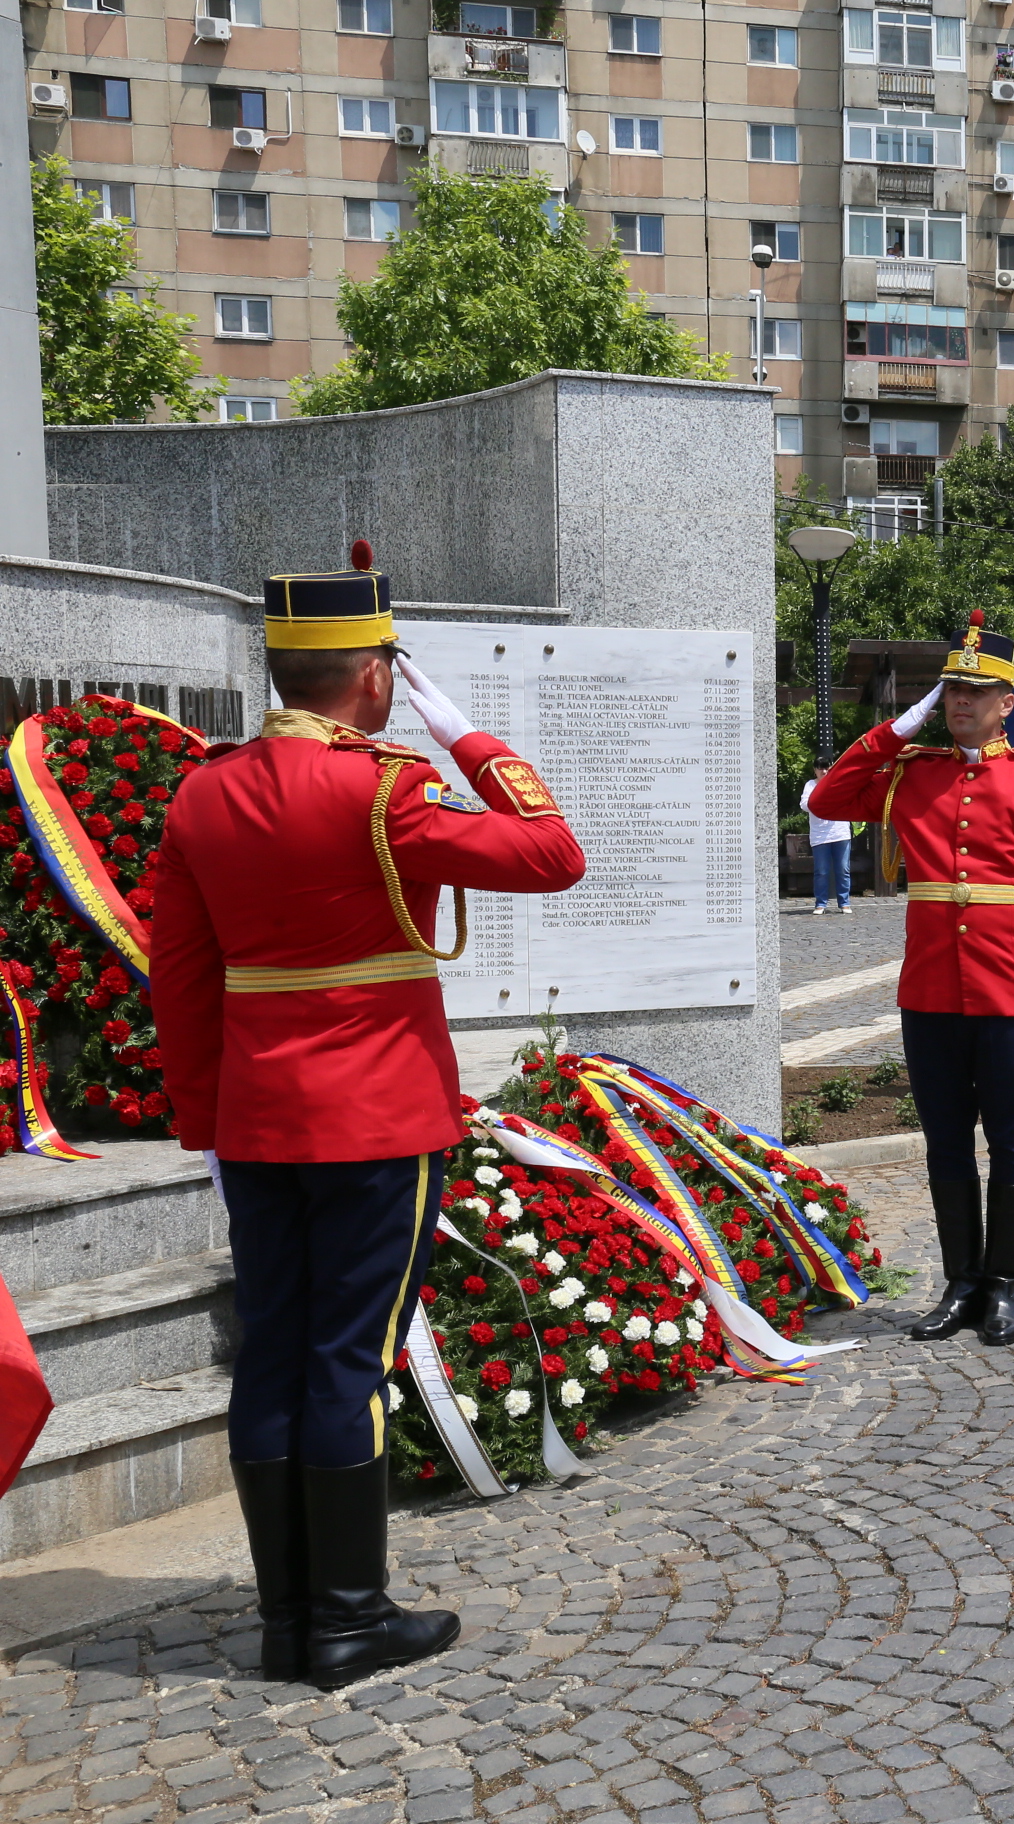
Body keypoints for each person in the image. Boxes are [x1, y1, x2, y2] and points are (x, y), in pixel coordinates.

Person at [152, 558, 588, 1690]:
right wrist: (474, 742)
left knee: (276, 1355)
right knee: (348, 1361)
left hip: (254, 1119)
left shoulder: (202, 792)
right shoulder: (389, 788)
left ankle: (287, 1620)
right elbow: (555, 856)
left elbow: (183, 981)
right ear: (372, 678)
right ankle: (348, 1621)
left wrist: (204, 1119)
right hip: (376, 1118)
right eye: (393, 673)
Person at [807, 611, 1014, 1349]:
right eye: (951, 691)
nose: (961, 702)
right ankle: (961, 1281)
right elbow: (826, 800)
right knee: (944, 1145)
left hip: (1007, 995)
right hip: (929, 994)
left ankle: (1005, 1284)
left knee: (1012, 1143)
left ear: (1006, 704)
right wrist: (895, 732)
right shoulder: (913, 775)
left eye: (976, 692)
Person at [799, 761, 854, 915]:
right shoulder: (810, 785)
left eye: (826, 768)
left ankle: (844, 903)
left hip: (840, 832)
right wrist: (820, 801)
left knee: (843, 869)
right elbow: (804, 804)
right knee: (821, 871)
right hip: (820, 834)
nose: (823, 771)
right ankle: (820, 903)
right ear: (814, 770)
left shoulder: (838, 782)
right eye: (820, 768)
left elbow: (847, 800)